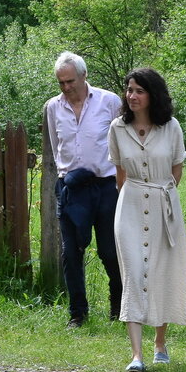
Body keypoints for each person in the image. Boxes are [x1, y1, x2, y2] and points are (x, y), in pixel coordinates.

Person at [108, 67, 186, 372]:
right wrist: (132, 196)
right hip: (129, 204)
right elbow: (120, 172)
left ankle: (160, 342)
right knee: (133, 271)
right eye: (129, 90)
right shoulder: (117, 127)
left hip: (162, 203)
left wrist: (161, 195)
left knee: (159, 270)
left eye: (139, 91)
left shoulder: (171, 127)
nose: (132, 96)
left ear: (152, 95)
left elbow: (177, 169)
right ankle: (136, 354)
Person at [45, 51, 123, 326]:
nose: (66, 88)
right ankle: (77, 313)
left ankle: (119, 304)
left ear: (84, 76)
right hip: (70, 187)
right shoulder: (53, 107)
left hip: (105, 186)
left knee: (109, 251)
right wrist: (66, 176)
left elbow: (121, 141)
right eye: (61, 83)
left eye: (70, 81)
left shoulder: (109, 101)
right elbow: (56, 146)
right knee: (70, 251)